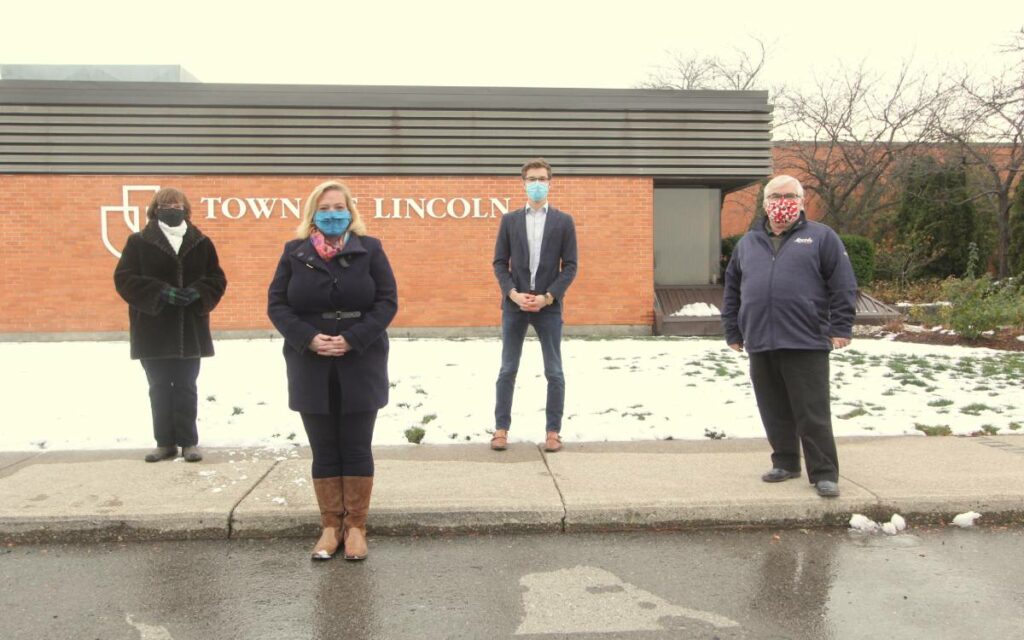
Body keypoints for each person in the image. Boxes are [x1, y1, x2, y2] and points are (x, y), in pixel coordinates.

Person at [267, 180, 397, 561]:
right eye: (325, 208)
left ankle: (355, 526)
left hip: (361, 358)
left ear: (351, 211)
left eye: (339, 207)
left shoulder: (370, 249)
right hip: (310, 361)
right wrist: (307, 337)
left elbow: (387, 301)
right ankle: (329, 527)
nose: (333, 214)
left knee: (356, 445)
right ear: (313, 213)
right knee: (324, 448)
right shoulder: (295, 252)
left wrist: (354, 338)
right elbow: (277, 305)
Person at [721, 174, 857, 498]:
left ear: (801, 200)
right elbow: (732, 290)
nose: (782, 203)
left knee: (811, 411)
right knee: (773, 407)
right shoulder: (748, 243)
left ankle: (824, 472)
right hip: (760, 339)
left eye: (789, 196)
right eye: (776, 196)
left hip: (805, 339)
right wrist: (732, 330)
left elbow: (843, 286)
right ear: (765, 203)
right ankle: (785, 462)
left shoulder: (822, 238)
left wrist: (841, 327)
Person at [114, 188, 227, 463]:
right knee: (159, 386)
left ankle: (189, 442)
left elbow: (217, 278)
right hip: (152, 330)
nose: (171, 208)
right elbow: (124, 279)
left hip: (190, 328)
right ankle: (164, 442)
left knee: (187, 385)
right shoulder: (138, 242)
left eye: (176, 204)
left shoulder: (201, 242)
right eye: (166, 204)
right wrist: (160, 292)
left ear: (185, 209)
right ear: (155, 209)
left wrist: (198, 291)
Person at [491, 158, 578, 453]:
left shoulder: (563, 221)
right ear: (523, 183)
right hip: (515, 305)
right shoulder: (510, 220)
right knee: (507, 369)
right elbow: (500, 263)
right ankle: (501, 429)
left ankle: (553, 432)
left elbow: (571, 266)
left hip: (548, 306)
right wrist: (513, 294)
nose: (537, 183)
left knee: (554, 371)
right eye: (532, 179)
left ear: (550, 182)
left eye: (542, 178)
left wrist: (548, 297)